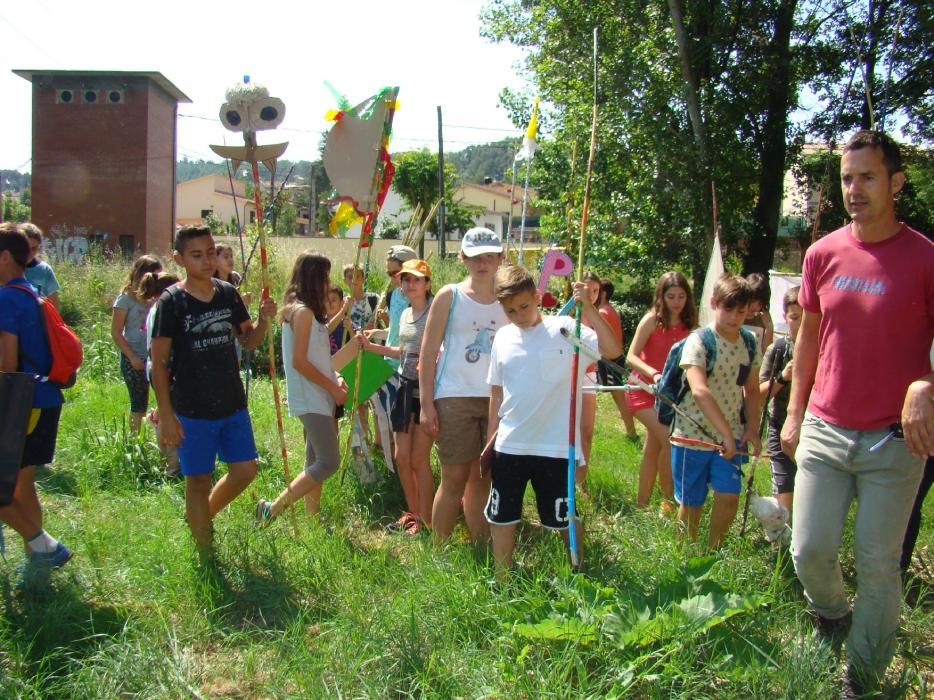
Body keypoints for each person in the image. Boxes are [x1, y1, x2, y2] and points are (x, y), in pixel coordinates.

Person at [780, 130, 934, 696]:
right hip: (824, 424)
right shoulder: (823, 254)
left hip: (895, 442)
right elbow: (809, 340)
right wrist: (794, 412)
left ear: (895, 182)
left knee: (877, 564)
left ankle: (863, 675)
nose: (855, 188)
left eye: (867, 177)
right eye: (847, 178)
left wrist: (925, 382)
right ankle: (833, 613)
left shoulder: (925, 259)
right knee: (808, 550)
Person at [484, 266, 622, 579]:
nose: (518, 315)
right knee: (502, 516)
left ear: (537, 297)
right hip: (511, 444)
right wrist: (491, 438)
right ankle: (502, 579)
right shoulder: (503, 337)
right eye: (510, 311)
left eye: (524, 306)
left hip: (556, 446)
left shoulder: (567, 329)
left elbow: (613, 350)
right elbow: (496, 391)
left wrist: (587, 305)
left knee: (563, 516)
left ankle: (577, 575)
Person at [150, 224, 276, 561]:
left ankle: (200, 517)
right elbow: (158, 362)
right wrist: (165, 414)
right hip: (191, 408)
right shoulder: (171, 303)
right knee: (197, 480)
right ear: (179, 259)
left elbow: (247, 340)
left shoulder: (227, 294)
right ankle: (205, 553)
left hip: (232, 403)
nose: (206, 261)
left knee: (245, 471)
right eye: (196, 255)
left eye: (210, 253)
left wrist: (263, 321)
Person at [419, 227, 508, 544]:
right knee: (454, 476)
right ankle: (438, 550)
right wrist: (426, 405)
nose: (482, 263)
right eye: (474, 257)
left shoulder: (510, 298)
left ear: (500, 258)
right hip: (454, 396)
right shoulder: (449, 295)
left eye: (488, 256)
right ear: (463, 259)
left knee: (483, 475)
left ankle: (481, 545)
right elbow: (428, 353)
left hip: (497, 400)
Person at [0, 223, 72, 579]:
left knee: (10, 485)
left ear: (4, 257)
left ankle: (42, 546)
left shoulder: (6, 298)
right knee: (22, 484)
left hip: (20, 401)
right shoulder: (30, 291)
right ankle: (38, 563)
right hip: (44, 397)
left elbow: (7, 364)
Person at [672, 274, 761, 549]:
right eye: (728, 309)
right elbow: (699, 390)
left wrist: (752, 430)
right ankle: (685, 556)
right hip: (692, 435)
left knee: (729, 495)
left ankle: (714, 553)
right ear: (714, 304)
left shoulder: (749, 342)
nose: (735, 318)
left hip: (731, 436)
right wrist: (725, 435)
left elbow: (753, 389)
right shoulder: (699, 341)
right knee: (691, 503)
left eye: (742, 312)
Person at [257, 251, 347, 522]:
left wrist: (335, 377)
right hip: (312, 397)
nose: (328, 283)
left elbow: (317, 357)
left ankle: (312, 517)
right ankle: (272, 508)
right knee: (328, 462)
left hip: (319, 394)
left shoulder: (306, 311)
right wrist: (332, 388)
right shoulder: (304, 312)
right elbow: (299, 362)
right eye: (325, 276)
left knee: (314, 461)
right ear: (314, 278)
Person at [357, 259, 435, 534]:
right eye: (406, 279)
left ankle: (427, 520)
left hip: (425, 391)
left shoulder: (435, 314)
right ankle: (414, 514)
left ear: (427, 284)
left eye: (416, 279)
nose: (410, 284)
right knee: (402, 457)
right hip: (404, 387)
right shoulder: (403, 316)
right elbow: (401, 352)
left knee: (418, 460)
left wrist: (432, 363)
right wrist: (370, 347)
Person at [625, 271, 696, 510]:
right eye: (671, 296)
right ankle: (670, 504)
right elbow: (630, 356)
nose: (676, 302)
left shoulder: (690, 326)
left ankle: (642, 503)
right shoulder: (652, 320)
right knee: (669, 440)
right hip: (642, 389)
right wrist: (653, 373)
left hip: (668, 396)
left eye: (681, 296)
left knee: (653, 447)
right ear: (661, 297)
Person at [758, 286, 801, 515]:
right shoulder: (778, 349)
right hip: (780, 426)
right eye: (794, 317)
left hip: (813, 432)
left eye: (805, 318)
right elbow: (759, 394)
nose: (800, 324)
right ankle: (780, 541)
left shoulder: (825, 350)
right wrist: (783, 377)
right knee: (784, 494)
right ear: (785, 317)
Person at [111, 254, 163, 433]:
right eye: (153, 275)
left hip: (155, 357)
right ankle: (135, 446)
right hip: (133, 358)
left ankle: (162, 439)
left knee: (165, 402)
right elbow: (116, 332)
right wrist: (132, 357)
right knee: (139, 404)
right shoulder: (125, 299)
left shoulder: (159, 298)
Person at [140, 270, 182, 475]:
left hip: (159, 366)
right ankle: (172, 465)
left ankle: (171, 461)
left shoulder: (156, 308)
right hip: (163, 367)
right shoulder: (163, 309)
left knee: (169, 410)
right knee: (170, 415)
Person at [596, 277, 639, 440]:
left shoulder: (602, 312)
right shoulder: (610, 310)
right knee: (617, 395)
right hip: (615, 357)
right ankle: (631, 431)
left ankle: (631, 432)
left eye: (596, 290)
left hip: (610, 360)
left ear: (604, 293)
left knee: (619, 396)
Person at [21, 223, 61, 308]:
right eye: (25, 248)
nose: (29, 253)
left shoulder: (44, 270)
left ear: (39, 247)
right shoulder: (6, 268)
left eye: (34, 248)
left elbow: (54, 308)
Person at [743, 272, 774, 352]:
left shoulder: (763, 319)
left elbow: (766, 353)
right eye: (752, 300)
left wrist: (769, 328)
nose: (755, 306)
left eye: (760, 304)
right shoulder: (734, 315)